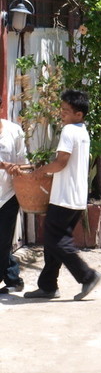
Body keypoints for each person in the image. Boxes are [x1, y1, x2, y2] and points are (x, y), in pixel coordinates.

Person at [23, 90, 101, 301]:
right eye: (62, 110)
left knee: (56, 241)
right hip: (75, 197)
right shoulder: (83, 132)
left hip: (64, 197)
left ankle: (87, 276)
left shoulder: (69, 131)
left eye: (66, 111)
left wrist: (40, 172)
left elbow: (61, 162)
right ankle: (48, 286)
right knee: (52, 241)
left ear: (79, 114)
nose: (62, 114)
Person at [0, 97, 27, 294]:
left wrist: (18, 169)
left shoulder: (14, 131)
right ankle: (12, 277)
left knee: (3, 240)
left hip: (8, 194)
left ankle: (11, 277)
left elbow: (22, 160)